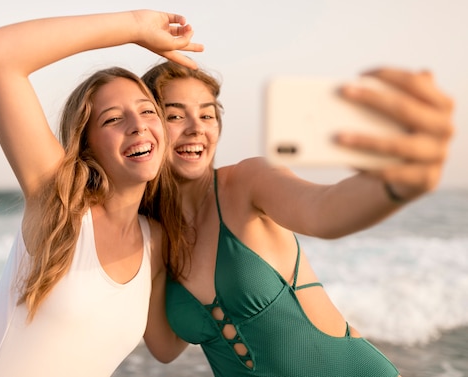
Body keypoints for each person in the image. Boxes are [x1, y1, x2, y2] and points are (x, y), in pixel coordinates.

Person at [140, 60, 454, 377]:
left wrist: (394, 184)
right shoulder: (154, 234)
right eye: (175, 116)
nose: (196, 128)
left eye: (207, 115)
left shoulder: (249, 181)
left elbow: (322, 210)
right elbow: (165, 349)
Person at [0, 11, 203, 377]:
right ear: (87, 145)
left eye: (147, 111)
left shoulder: (156, 243)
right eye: (113, 119)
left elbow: (166, 348)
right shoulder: (61, 205)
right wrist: (134, 28)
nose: (138, 126)